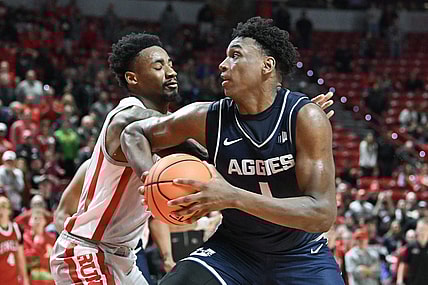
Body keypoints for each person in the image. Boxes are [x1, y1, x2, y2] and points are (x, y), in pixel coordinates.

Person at [130, 17, 342, 284]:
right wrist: (150, 176)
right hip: (233, 250)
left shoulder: (305, 117)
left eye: (235, 55)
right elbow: (135, 132)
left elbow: (322, 214)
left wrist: (232, 197)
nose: (222, 64)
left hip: (300, 254)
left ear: (267, 65)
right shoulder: (205, 117)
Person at [49, 33, 180, 285]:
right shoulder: (127, 115)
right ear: (133, 78)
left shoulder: (162, 128)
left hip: (123, 257)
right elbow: (188, 133)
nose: (171, 72)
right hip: (88, 249)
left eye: (170, 63)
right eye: (158, 66)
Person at [0, 196, 30, 285]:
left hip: (14, 279)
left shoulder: (16, 228)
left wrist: (25, 279)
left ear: (9, 210)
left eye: (3, 207)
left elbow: (20, 257)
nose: (1, 210)